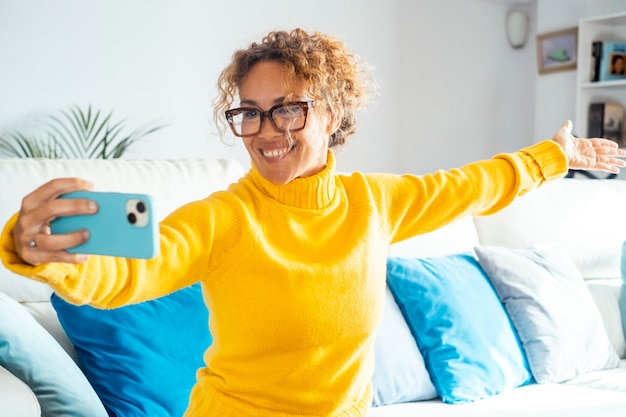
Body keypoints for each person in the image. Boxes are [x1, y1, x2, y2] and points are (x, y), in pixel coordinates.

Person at [2, 28, 625, 417]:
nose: (267, 132)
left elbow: (470, 186)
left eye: (288, 110)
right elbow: (130, 273)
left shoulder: (374, 203)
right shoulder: (225, 218)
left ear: (333, 116)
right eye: (249, 113)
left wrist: (555, 158)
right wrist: (37, 252)